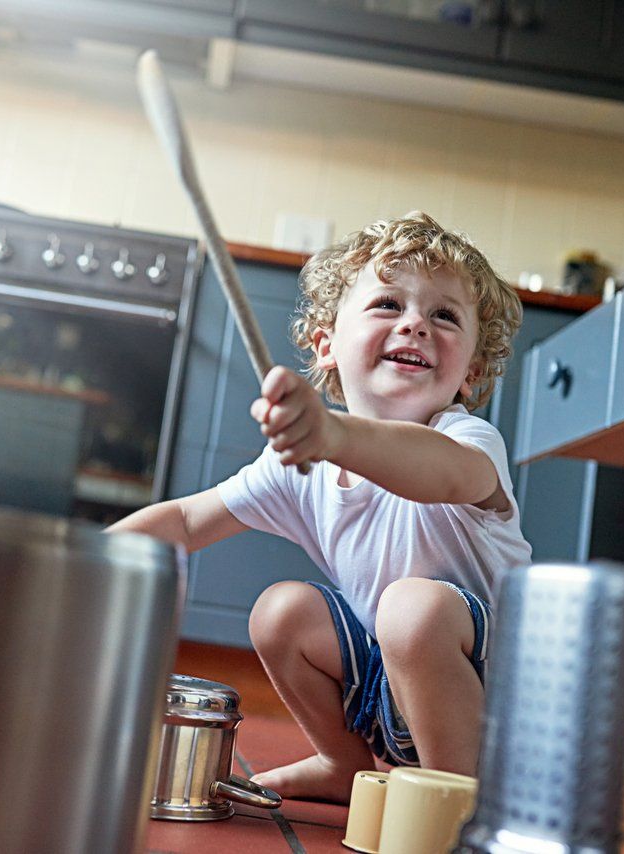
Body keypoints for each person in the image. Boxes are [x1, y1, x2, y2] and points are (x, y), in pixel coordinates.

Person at [107, 211, 531, 803]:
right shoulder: (303, 465)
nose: (416, 325)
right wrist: (82, 565)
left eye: (444, 315)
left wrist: (333, 435)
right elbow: (182, 520)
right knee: (282, 611)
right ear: (327, 343)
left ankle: (457, 802)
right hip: (395, 697)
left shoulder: (466, 439)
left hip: (498, 710)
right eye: (388, 304)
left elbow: (442, 474)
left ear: (472, 372)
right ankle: (343, 764)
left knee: (412, 608)